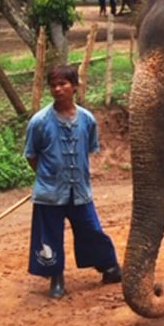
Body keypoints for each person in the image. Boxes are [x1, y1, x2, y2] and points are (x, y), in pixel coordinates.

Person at [24, 65, 121, 299]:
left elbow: (87, 151)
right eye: (53, 85)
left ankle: (109, 267)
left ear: (75, 86)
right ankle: (56, 278)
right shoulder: (39, 122)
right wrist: (47, 177)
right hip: (50, 192)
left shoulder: (87, 120)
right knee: (49, 236)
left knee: (91, 230)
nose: (58, 89)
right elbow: (31, 155)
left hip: (79, 190)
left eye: (63, 84)